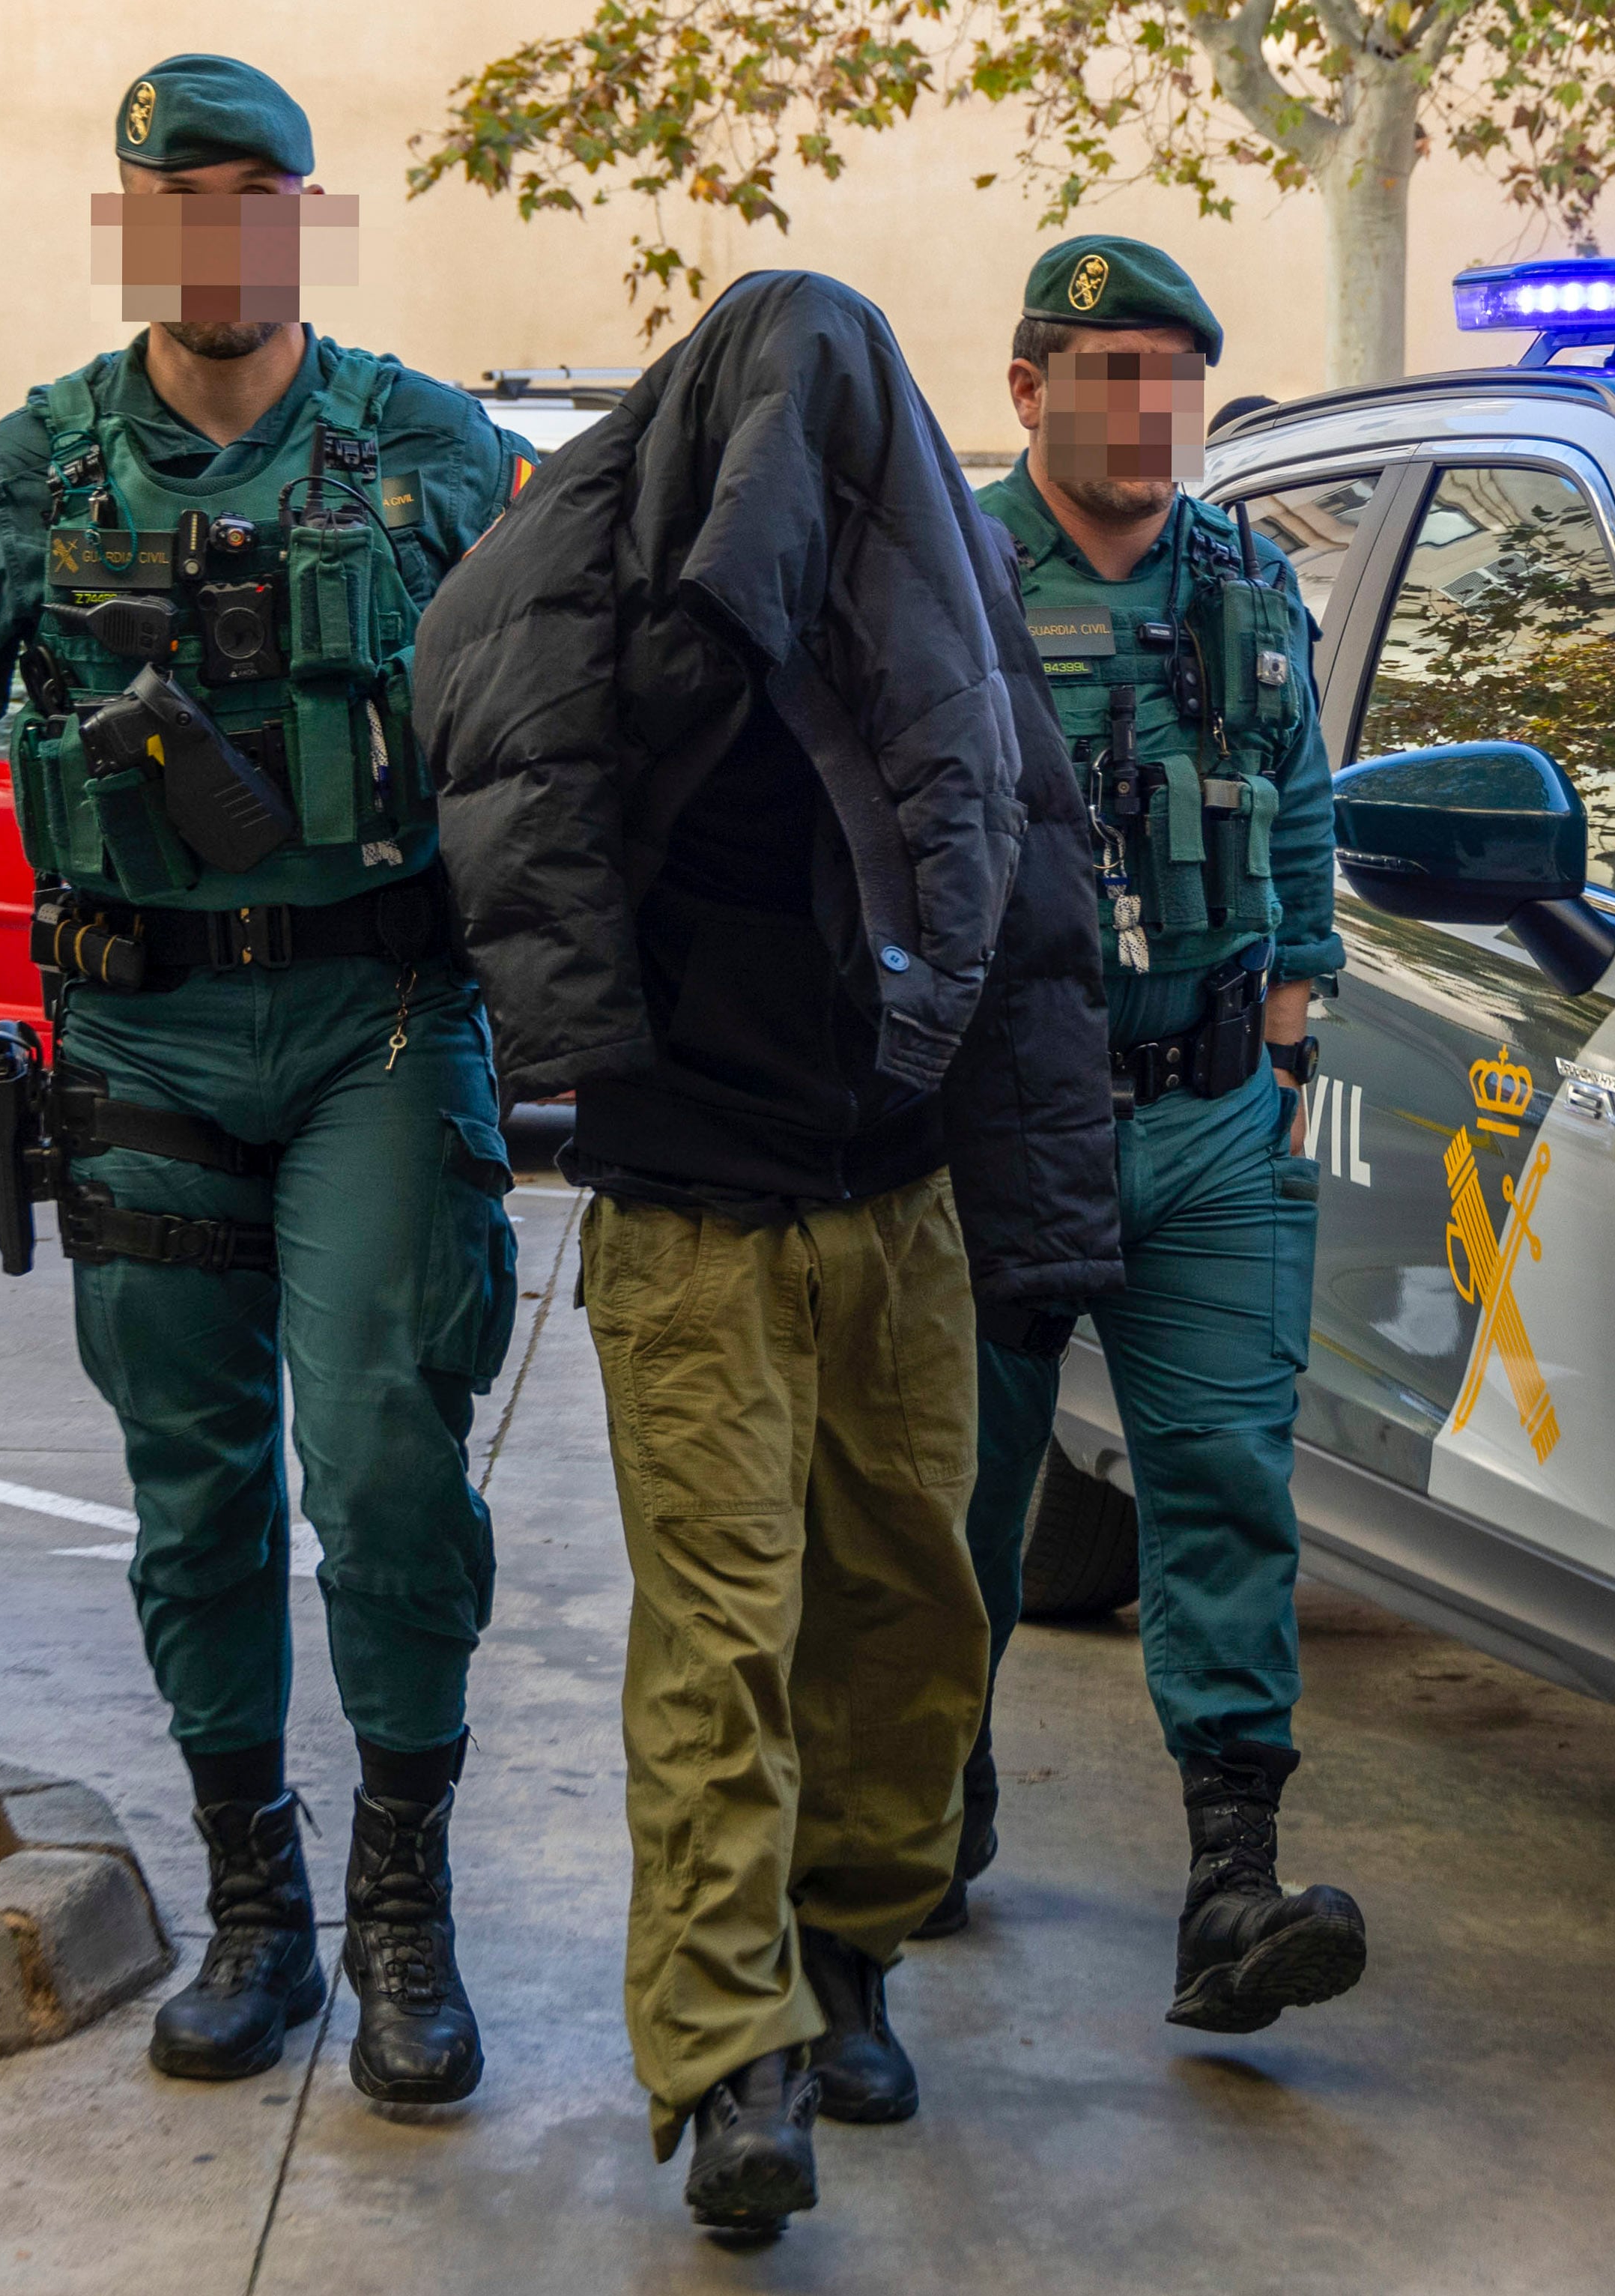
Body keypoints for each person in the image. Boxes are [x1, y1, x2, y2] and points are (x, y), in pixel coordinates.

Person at [0, 55, 530, 2106]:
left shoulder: (426, 452)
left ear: (298, 216)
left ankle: (401, 1917)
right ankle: (254, 1907)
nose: (215, 235)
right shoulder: (37, 471)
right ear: (135, 227)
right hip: (142, 1032)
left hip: (374, 1023)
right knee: (192, 1498)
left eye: (249, 195)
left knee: (378, 1463)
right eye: (175, 199)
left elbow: (557, 734)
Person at [413, 270, 1117, 2236]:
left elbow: (1035, 905)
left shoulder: (950, 603)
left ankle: (855, 1951)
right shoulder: (585, 591)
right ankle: (733, 2059)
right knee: (720, 1642)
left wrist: (1045, 1213)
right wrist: (579, 1083)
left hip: (893, 1200)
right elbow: (483, 795)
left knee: (904, 1608)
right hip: (689, 1221)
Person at [948, 235, 1367, 2034]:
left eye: (1172, 374)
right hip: (995, 1133)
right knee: (952, 1503)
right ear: (1029, 387)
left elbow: (1294, 806)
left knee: (1223, 1488)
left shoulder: (1242, 579)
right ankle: (921, 1815)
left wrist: (1281, 1045)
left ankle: (1228, 1883)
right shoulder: (945, 571)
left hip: (1205, 1116)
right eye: (1108, 370)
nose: (1147, 407)